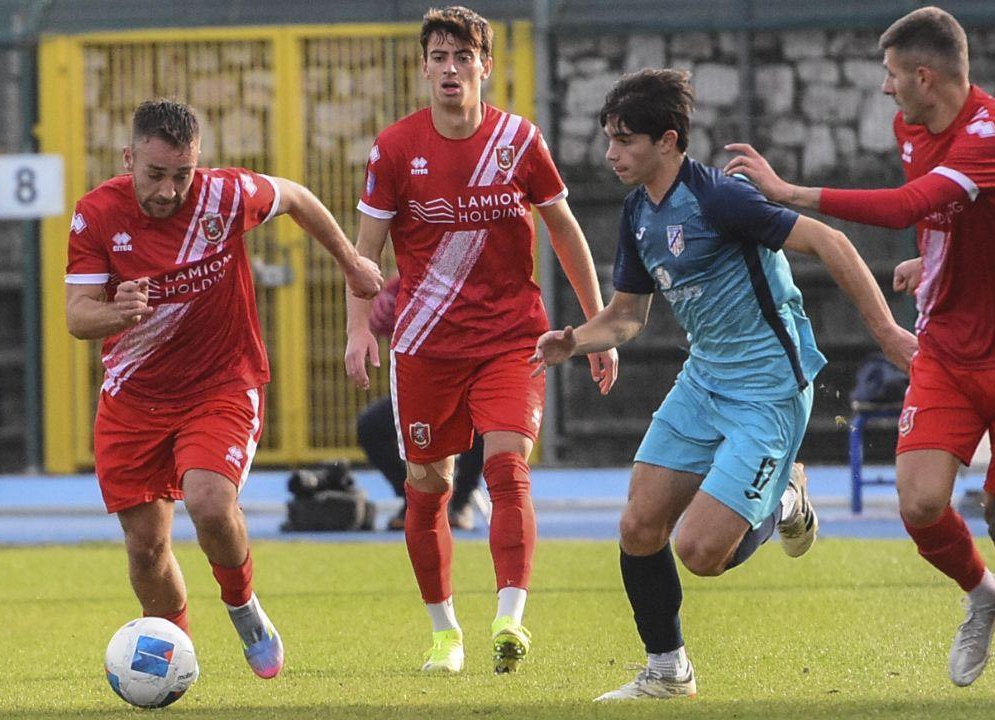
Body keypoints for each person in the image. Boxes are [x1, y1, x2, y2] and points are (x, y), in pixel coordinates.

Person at [724, 6, 995, 707]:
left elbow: (907, 204)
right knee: (921, 503)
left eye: (893, 76)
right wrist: (927, 261)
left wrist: (786, 192)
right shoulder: (914, 126)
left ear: (926, 77)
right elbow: (944, 215)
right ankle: (984, 593)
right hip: (950, 345)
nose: (886, 90)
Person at [530, 68, 917, 701]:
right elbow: (628, 316)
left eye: (625, 139)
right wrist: (574, 342)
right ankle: (666, 670)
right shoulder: (637, 212)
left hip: (768, 389)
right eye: (609, 138)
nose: (611, 153)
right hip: (704, 381)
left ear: (669, 141)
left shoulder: (719, 199)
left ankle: (787, 500)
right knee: (638, 526)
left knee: (702, 552)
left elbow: (829, 240)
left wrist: (889, 334)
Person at [65, 99, 383, 680]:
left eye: (181, 175)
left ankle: (243, 607)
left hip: (222, 384)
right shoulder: (96, 214)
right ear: (128, 158)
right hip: (133, 397)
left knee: (210, 503)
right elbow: (76, 316)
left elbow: (299, 198)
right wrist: (117, 313)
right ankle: (173, 662)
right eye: (155, 174)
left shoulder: (225, 196)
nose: (167, 190)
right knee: (145, 549)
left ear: (199, 164)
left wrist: (352, 263)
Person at [344, 5, 618, 676]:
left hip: (511, 339)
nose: (450, 69)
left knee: (506, 469)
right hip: (425, 349)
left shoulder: (520, 142)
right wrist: (357, 331)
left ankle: (510, 620)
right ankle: (445, 634)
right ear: (423, 68)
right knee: (427, 489)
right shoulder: (395, 150)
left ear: (484, 69)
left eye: (463, 58)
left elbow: (564, 230)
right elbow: (364, 254)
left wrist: (598, 326)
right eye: (438, 57)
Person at [356, 275, 486, 531]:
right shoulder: (401, 283)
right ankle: (413, 498)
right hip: (423, 385)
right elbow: (381, 322)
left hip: (468, 379)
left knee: (482, 423)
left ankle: (460, 502)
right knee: (370, 426)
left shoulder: (469, 277)